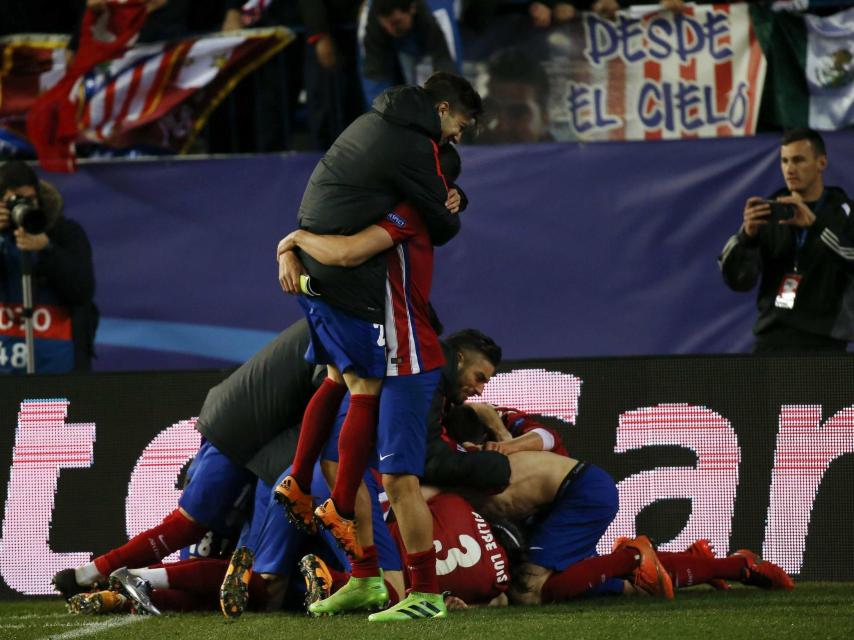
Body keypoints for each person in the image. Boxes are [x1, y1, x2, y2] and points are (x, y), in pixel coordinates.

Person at [275, 142, 473, 622]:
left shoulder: (410, 211)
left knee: (399, 480)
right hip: (375, 346)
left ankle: (425, 593)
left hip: (407, 356)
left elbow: (347, 252)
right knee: (340, 459)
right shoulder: (389, 200)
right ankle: (365, 576)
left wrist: (293, 240)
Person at [51, 320, 323, 600]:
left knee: (247, 577)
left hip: (257, 439)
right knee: (197, 532)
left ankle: (119, 591)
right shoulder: (338, 326)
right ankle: (95, 576)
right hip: (242, 433)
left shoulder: (327, 319)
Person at [718, 129, 854, 353]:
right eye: (785, 161)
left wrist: (816, 227)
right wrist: (746, 238)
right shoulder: (770, 212)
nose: (790, 169)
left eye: (799, 160)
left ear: (821, 163)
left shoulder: (844, 211)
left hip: (824, 342)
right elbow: (739, 282)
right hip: (772, 338)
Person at [0, 160, 97, 373]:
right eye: (14, 201)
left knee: (51, 400)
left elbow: (83, 291)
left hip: (57, 369)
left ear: (39, 198)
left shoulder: (64, 233)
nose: (22, 208)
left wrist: (47, 249)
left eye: (29, 200)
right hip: (5, 368)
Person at [357, 0, 461, 108]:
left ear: (412, 8)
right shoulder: (371, 17)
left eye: (395, 23)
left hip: (430, 30)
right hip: (388, 38)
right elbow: (374, 76)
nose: (390, 30)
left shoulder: (438, 14)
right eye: (385, 25)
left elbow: (448, 69)